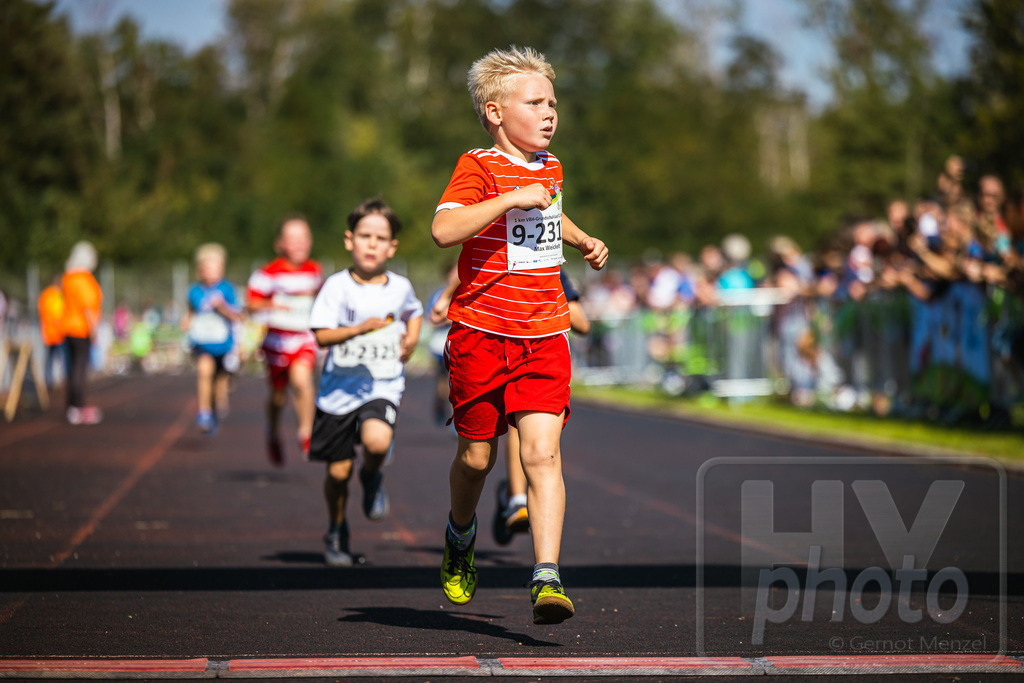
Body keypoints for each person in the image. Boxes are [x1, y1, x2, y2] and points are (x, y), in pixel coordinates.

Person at [431, 45, 608, 625]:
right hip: (482, 334)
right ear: (495, 112)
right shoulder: (478, 166)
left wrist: (581, 239)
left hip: (545, 332)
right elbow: (443, 230)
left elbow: (548, 214)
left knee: (542, 452)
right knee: (476, 459)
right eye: (535, 103)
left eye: (553, 102)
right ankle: (460, 534)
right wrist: (509, 197)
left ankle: (547, 576)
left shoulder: (551, 167)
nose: (550, 113)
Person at [307, 199, 423, 567]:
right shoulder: (335, 287)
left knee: (377, 441)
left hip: (381, 384)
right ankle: (336, 528)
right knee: (338, 472)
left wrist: (411, 340)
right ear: (349, 240)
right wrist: (358, 329)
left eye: (381, 238)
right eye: (364, 236)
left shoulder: (400, 287)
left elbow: (414, 312)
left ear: (392, 247)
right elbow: (321, 336)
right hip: (338, 391)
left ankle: (371, 476)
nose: (372, 244)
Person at [492, 268, 590, 546]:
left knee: (536, 440)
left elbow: (582, 324)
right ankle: (515, 497)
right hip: (497, 352)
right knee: (492, 445)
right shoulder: (494, 260)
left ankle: (515, 498)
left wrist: (549, 305)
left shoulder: (550, 265)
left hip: (540, 355)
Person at [247, 216, 323, 465]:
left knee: (302, 380)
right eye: (293, 239)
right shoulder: (267, 273)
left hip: (303, 338)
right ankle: (272, 431)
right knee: (278, 395)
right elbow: (251, 304)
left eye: (304, 238)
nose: (300, 244)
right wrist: (274, 305)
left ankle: (307, 434)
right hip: (276, 342)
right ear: (280, 244)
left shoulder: (314, 271)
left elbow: (321, 300)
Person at [184, 243, 242, 436]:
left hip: (224, 344)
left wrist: (222, 307)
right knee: (204, 371)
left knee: (219, 384)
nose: (211, 271)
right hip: (203, 343)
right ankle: (204, 412)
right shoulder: (194, 291)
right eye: (207, 266)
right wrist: (186, 321)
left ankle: (215, 410)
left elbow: (236, 316)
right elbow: (190, 312)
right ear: (200, 269)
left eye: (216, 266)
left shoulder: (227, 289)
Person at [61, 241, 103, 425]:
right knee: (80, 368)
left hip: (67, 327)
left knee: (72, 369)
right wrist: (94, 330)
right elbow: (88, 307)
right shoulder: (84, 279)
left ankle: (72, 407)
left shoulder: (68, 278)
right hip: (81, 328)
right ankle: (78, 407)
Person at [37, 274, 66, 389]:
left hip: (48, 333)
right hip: (59, 333)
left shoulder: (45, 295)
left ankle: (48, 382)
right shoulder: (57, 296)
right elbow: (58, 313)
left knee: (49, 359)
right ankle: (65, 382)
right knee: (64, 359)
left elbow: (41, 311)